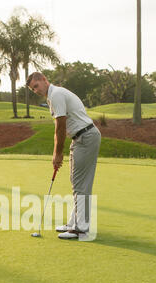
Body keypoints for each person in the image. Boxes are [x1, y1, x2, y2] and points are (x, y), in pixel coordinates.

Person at [27, 72, 101, 240]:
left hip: (85, 137)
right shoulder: (52, 97)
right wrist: (57, 152)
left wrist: (57, 153)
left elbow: (60, 126)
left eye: (36, 86)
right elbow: (58, 129)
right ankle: (73, 223)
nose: (36, 90)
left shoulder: (57, 94)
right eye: (33, 89)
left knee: (81, 185)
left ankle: (81, 229)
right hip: (79, 138)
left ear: (44, 80)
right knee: (76, 182)